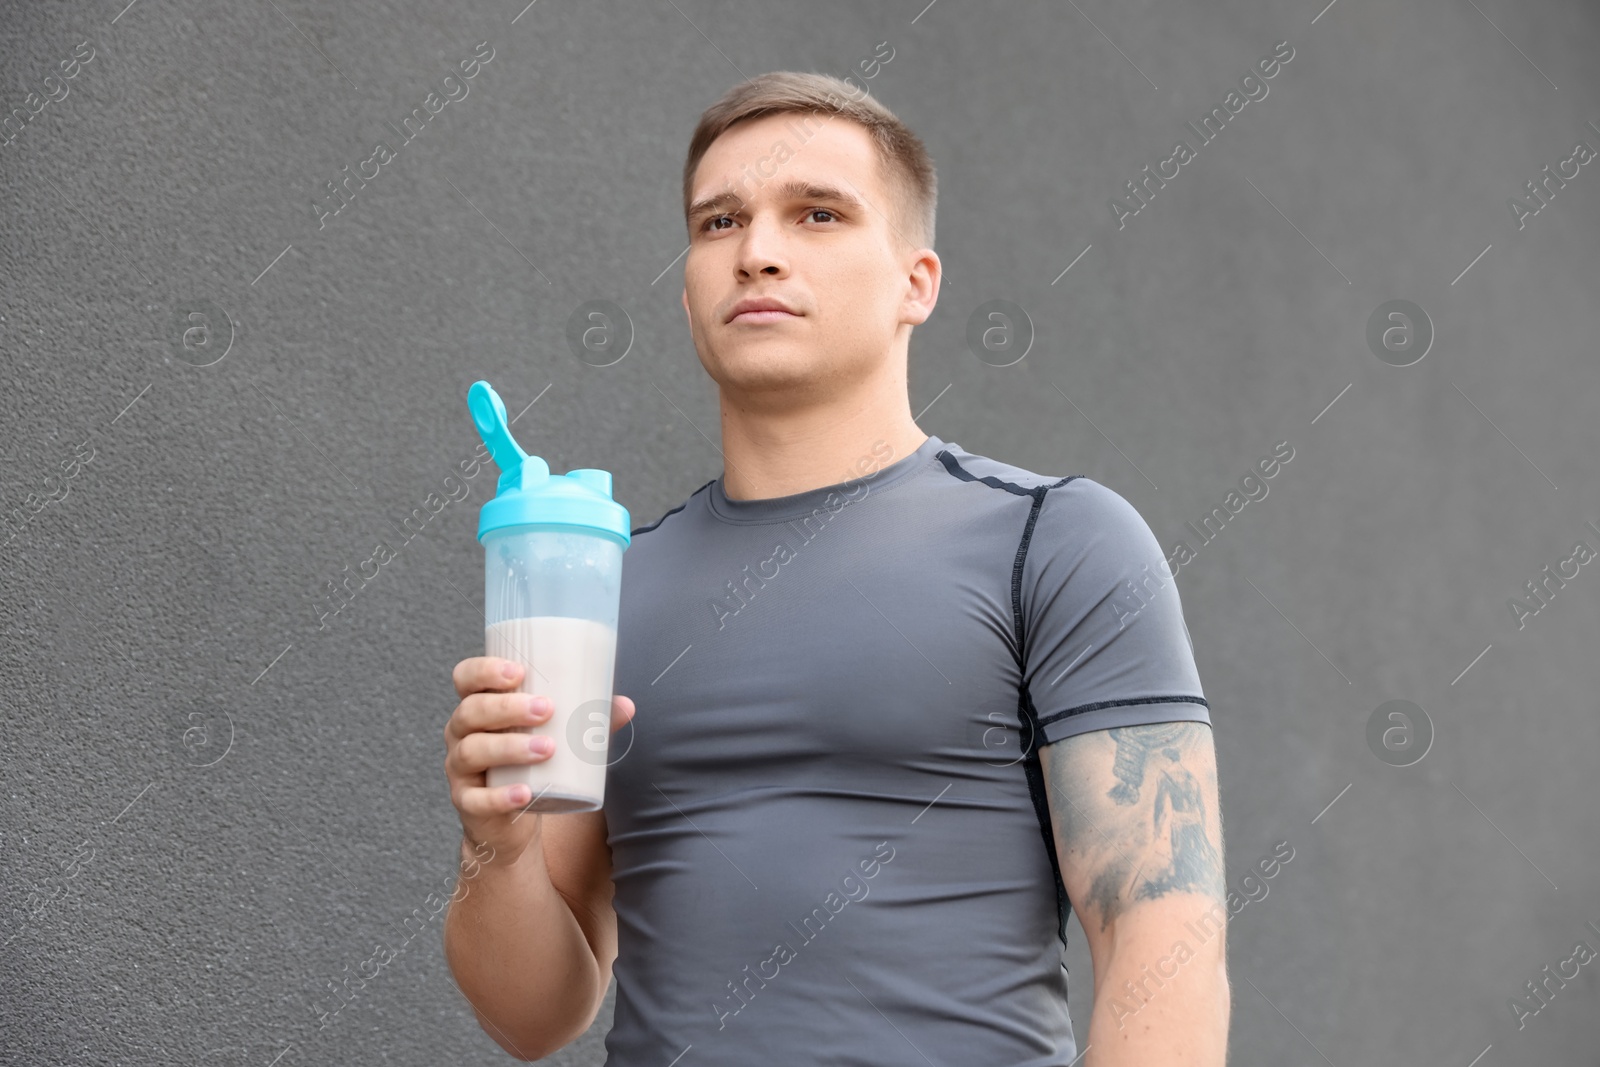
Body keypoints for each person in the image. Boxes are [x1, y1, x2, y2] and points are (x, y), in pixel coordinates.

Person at [442, 70, 1230, 1065]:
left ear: (916, 280)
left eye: (816, 213)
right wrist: (495, 843)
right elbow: (532, 1014)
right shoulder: (608, 586)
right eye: (718, 223)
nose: (757, 252)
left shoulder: (1058, 540)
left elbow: (1163, 941)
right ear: (687, 290)